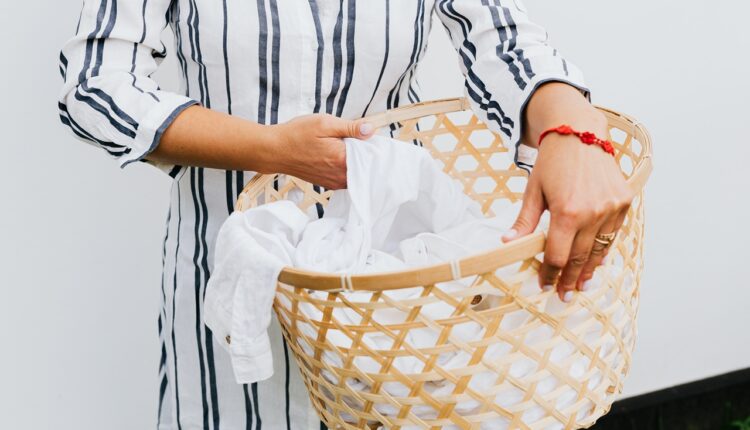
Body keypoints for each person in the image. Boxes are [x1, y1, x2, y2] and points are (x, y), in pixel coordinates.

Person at [58, 0, 632, 428]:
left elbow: (500, 38)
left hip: (395, 295)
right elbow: (94, 87)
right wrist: (271, 150)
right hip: (237, 274)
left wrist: (571, 128)